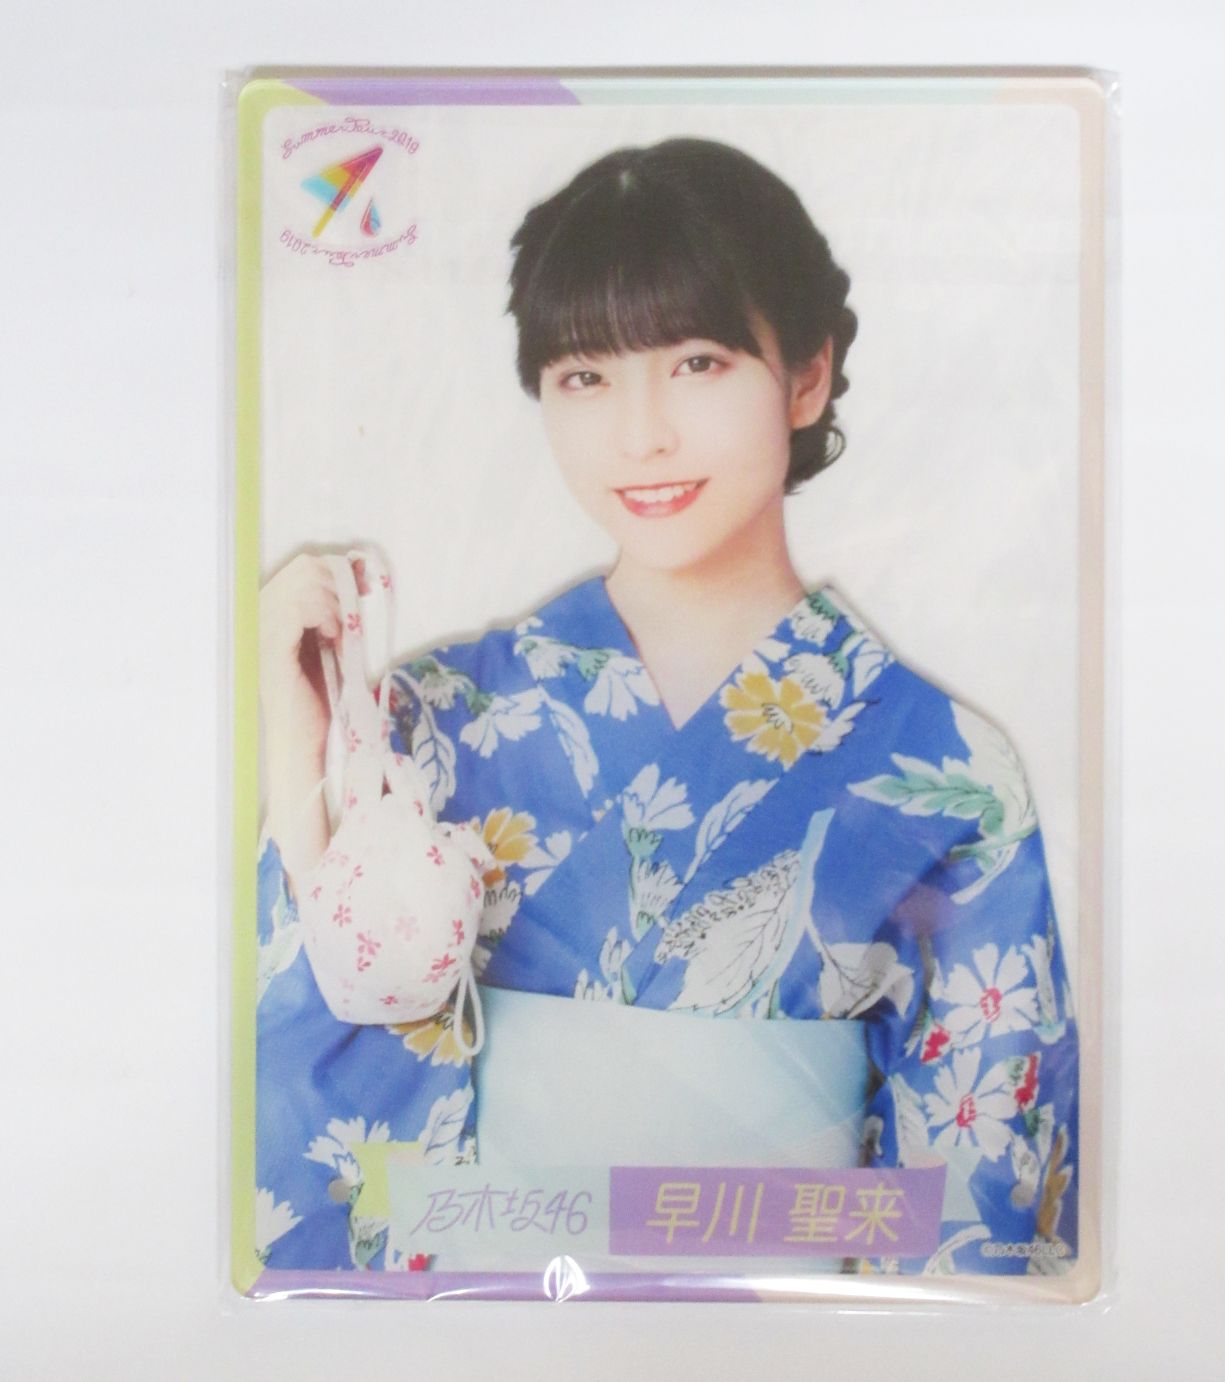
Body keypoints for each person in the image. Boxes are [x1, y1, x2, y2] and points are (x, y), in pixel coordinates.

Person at [253, 137, 1079, 1280]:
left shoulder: (948, 772)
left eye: (696, 361)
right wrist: (300, 761)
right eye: (584, 376)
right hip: (490, 1346)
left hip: (799, 1353)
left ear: (805, 376)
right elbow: (312, 1120)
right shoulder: (432, 724)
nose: (639, 434)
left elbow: (974, 1209)